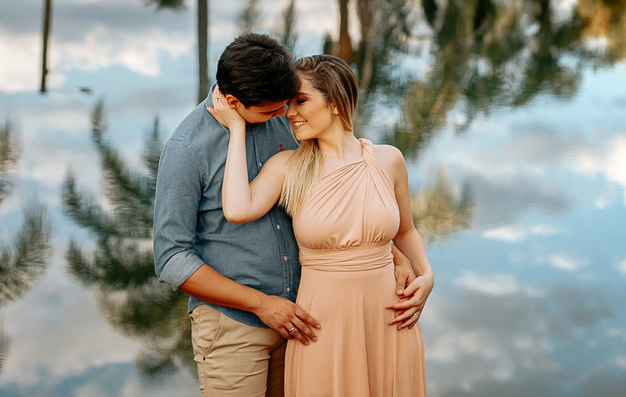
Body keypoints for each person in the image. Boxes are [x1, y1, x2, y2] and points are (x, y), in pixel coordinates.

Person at [153, 34, 425, 397]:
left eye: (292, 104)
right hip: (236, 326)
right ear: (234, 103)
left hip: (305, 318)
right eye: (273, 110)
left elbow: (341, 202)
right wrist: (263, 305)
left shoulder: (289, 122)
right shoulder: (187, 149)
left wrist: (393, 256)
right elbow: (171, 258)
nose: (286, 115)